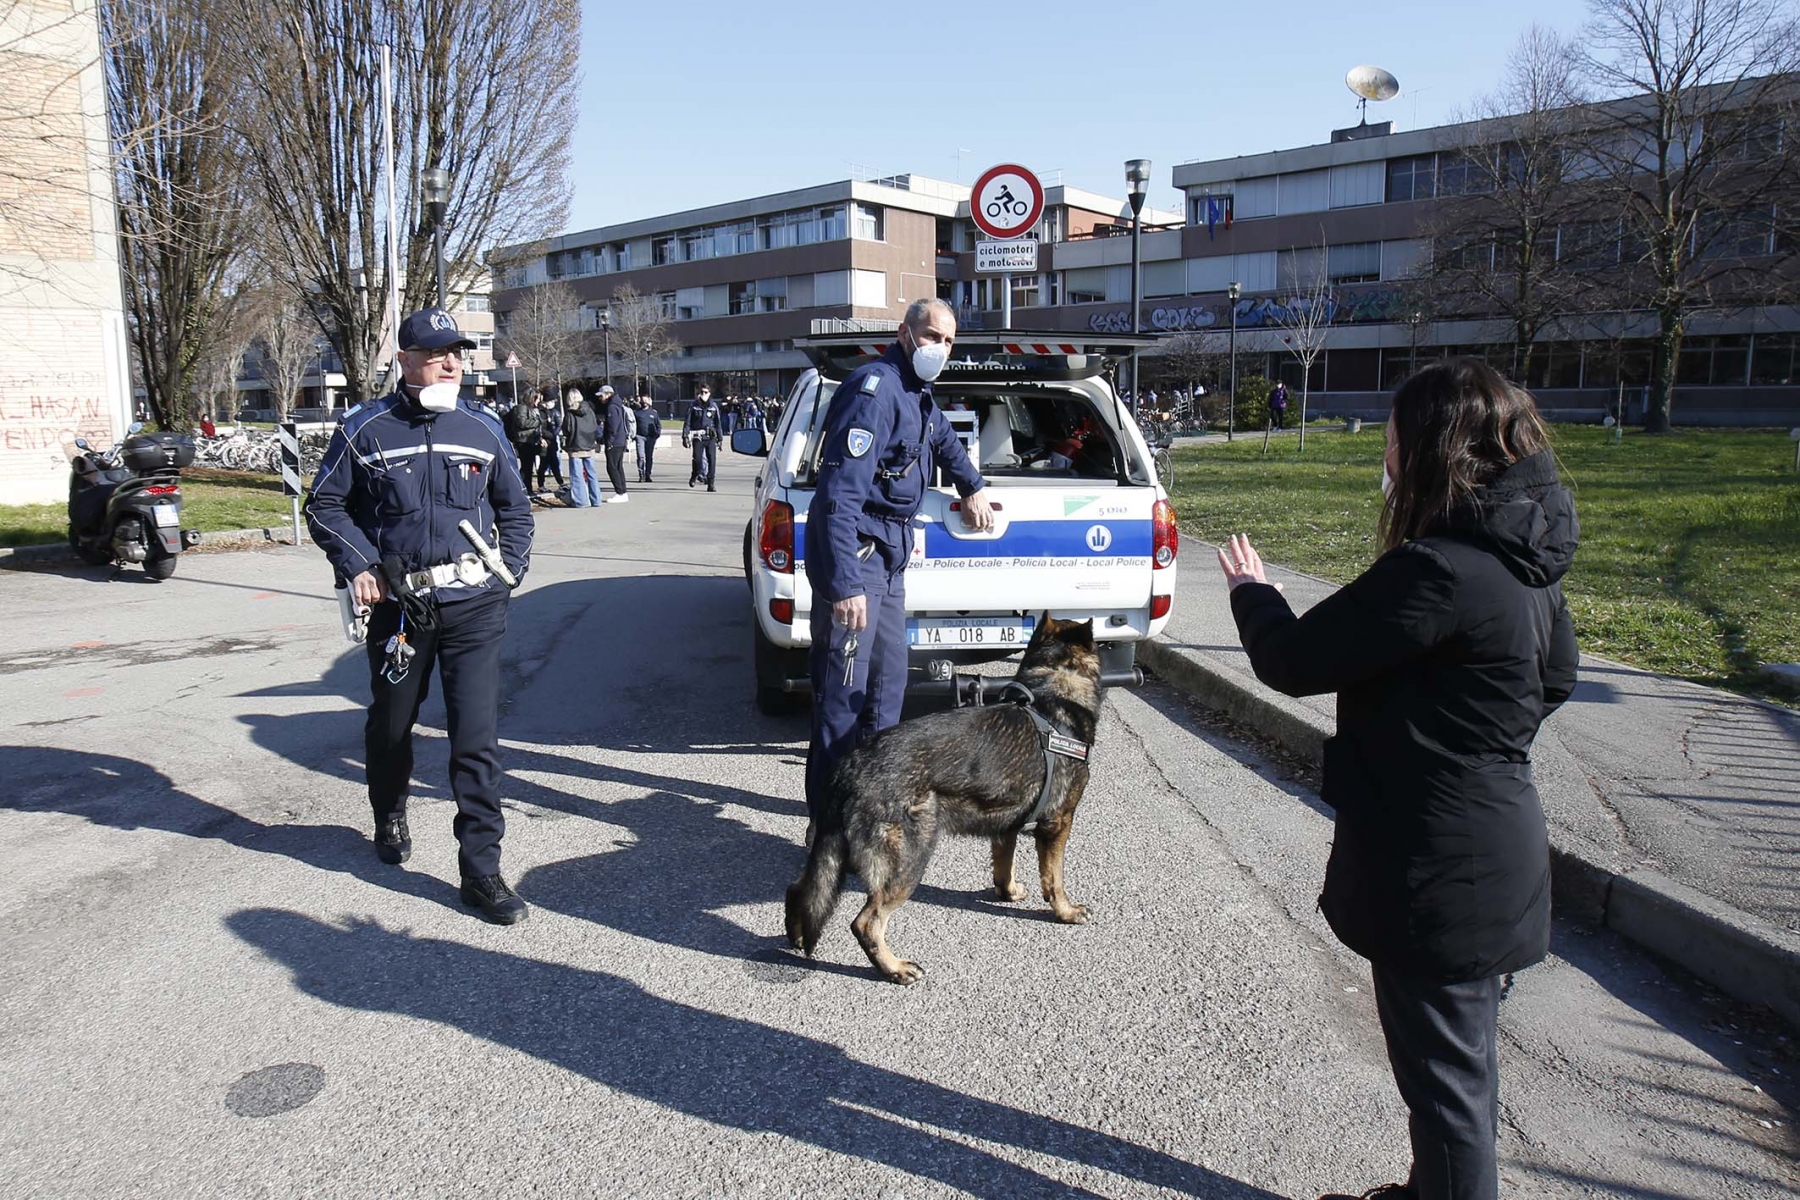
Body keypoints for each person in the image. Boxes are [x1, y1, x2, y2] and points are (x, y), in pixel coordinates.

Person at [1215, 358, 1578, 1200]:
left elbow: (1294, 660)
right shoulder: (1524, 560)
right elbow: (1553, 679)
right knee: (1460, 1070)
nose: (1384, 453)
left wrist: (1253, 592)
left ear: (1430, 448)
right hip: (1500, 845)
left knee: (1449, 1093)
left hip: (1438, 868)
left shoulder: (1439, 570)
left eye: (1391, 436)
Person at [303, 307, 535, 925]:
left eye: (457, 352)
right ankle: (389, 809)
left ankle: (481, 870)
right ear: (405, 359)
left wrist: (507, 572)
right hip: (399, 610)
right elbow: (324, 504)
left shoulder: (484, 428)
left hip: (474, 606)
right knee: (391, 725)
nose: (452, 363)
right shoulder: (366, 429)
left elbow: (517, 510)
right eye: (437, 354)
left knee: (476, 738)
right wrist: (360, 566)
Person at [803, 297, 994, 830]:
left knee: (886, 696)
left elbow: (945, 444)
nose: (941, 348)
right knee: (841, 702)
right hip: (857, 561)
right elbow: (838, 497)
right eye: (932, 336)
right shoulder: (877, 391)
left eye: (950, 341)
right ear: (906, 333)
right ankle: (828, 831)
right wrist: (844, 585)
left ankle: (871, 816)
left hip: (888, 563)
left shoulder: (918, 395)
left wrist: (972, 485)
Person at [562, 386, 601, 507]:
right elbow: (595, 426)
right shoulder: (589, 410)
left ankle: (581, 501)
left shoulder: (570, 413)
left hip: (575, 446)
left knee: (577, 475)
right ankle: (596, 499)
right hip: (589, 445)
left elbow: (567, 429)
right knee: (591, 474)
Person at [684, 384, 721, 490]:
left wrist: (720, 438)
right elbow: (687, 422)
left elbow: (718, 423)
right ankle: (695, 474)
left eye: (706, 392)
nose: (703, 394)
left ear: (709, 394)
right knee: (698, 460)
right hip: (698, 436)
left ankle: (711, 483)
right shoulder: (693, 405)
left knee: (712, 461)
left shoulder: (713, 406)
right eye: (702, 392)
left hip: (710, 437)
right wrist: (685, 436)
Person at [599, 384, 631, 504]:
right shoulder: (618, 405)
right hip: (621, 440)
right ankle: (622, 491)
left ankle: (620, 492)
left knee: (612, 467)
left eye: (601, 395)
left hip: (615, 441)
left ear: (608, 394)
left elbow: (613, 426)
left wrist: (610, 441)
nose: (600, 398)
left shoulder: (612, 407)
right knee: (618, 467)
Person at [505, 389, 542, 490]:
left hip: (530, 440)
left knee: (529, 467)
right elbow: (522, 423)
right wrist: (537, 422)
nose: (539, 401)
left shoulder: (531, 409)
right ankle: (522, 488)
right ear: (532, 398)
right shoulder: (521, 408)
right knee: (526, 467)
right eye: (538, 398)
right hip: (523, 441)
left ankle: (527, 488)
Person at [536, 390, 564, 496]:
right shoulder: (540, 412)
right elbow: (539, 427)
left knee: (553, 462)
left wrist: (553, 434)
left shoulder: (555, 412)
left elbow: (558, 425)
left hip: (551, 442)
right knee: (545, 464)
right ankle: (542, 485)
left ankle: (559, 482)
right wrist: (545, 436)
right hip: (544, 442)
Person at [633, 391, 662, 482]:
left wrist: (657, 434)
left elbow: (658, 425)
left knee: (649, 457)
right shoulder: (637, 413)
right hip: (640, 437)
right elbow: (633, 425)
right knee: (641, 456)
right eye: (642, 400)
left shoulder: (654, 413)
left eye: (646, 400)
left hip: (650, 438)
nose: (644, 402)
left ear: (648, 401)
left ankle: (648, 474)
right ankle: (641, 474)